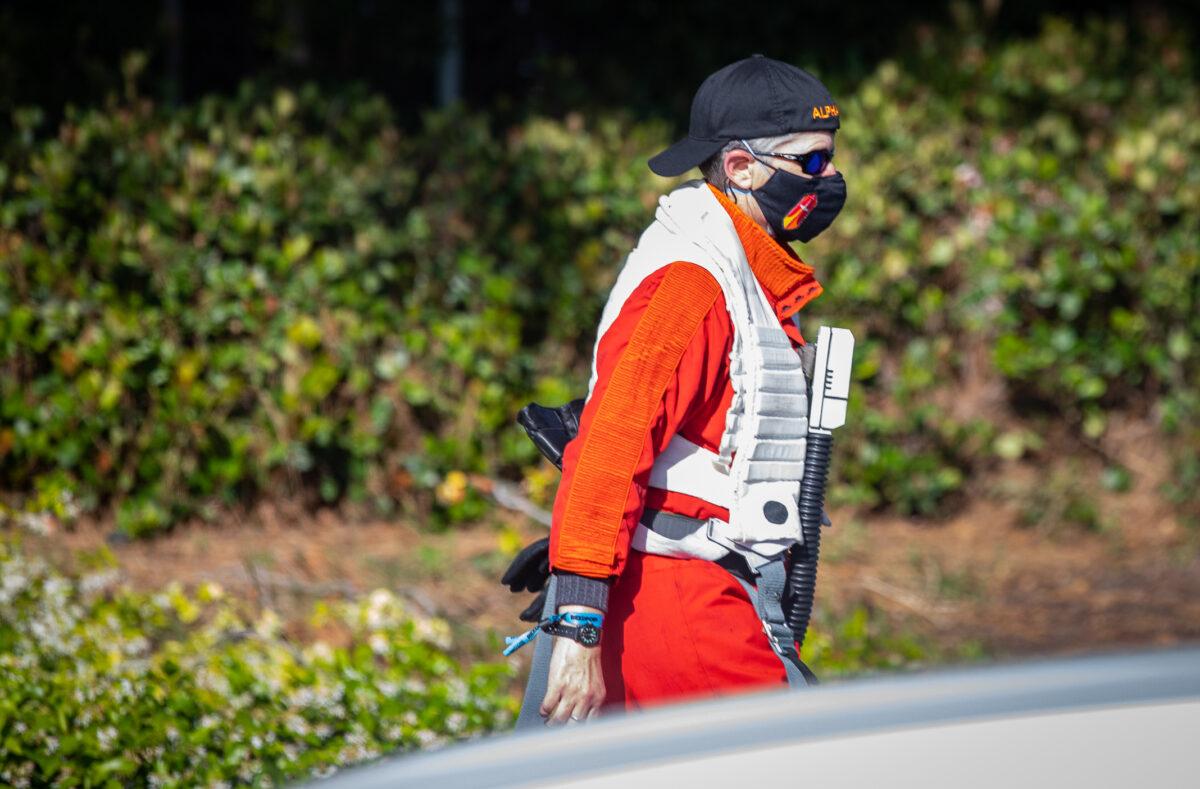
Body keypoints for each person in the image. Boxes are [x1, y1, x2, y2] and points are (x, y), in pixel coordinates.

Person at [538, 55, 846, 725]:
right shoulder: (690, 282)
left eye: (831, 161)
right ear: (740, 168)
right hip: (678, 594)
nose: (829, 181)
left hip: (724, 589)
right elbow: (610, 447)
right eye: (812, 164)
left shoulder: (746, 268)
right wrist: (578, 624)